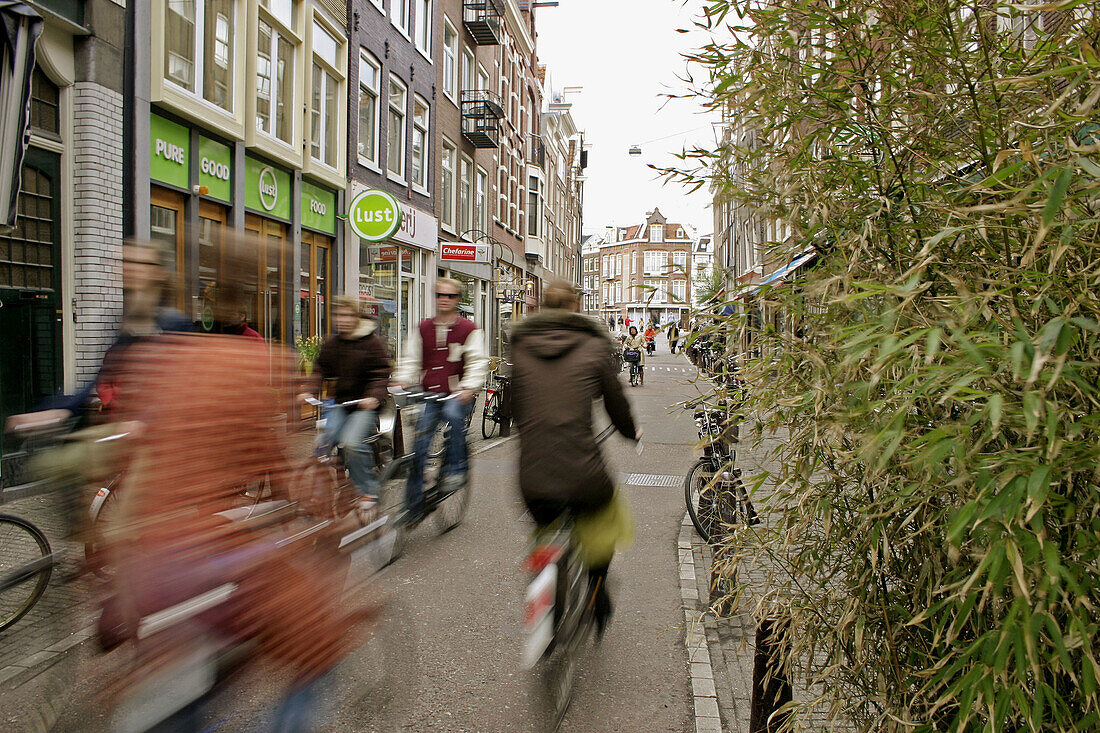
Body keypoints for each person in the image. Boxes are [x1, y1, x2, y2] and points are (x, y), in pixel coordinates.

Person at [508, 280, 639, 636]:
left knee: (546, 526)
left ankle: (544, 596)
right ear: (574, 309)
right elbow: (616, 404)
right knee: (606, 520)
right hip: (584, 475)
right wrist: (631, 433)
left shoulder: (519, 346)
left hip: (532, 479)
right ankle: (597, 591)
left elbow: (511, 407)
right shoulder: (594, 346)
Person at [393, 277, 488, 523]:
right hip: (430, 395)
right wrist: (402, 379)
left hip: (457, 393)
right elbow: (411, 359)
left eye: (450, 296)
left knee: (455, 414)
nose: (444, 300)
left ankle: (456, 469)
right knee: (418, 450)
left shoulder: (469, 329)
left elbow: (477, 362)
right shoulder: (423, 328)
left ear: (458, 300)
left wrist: (468, 386)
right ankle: (413, 508)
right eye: (439, 295)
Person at [308, 295, 391, 514]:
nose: (342, 320)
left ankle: (368, 491)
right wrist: (306, 391)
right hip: (342, 405)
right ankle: (317, 497)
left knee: (352, 443)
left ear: (356, 316)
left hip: (364, 406)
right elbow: (320, 370)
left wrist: (373, 396)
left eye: (346, 315)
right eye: (338, 315)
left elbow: (382, 373)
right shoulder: (333, 343)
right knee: (322, 443)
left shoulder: (371, 342)